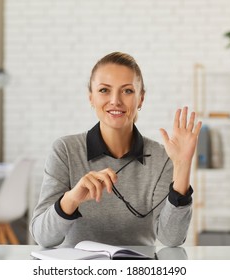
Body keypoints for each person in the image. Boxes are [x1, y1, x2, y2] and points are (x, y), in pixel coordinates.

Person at [30, 52, 202, 248]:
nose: (115, 101)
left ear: (141, 99)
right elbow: (42, 237)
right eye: (104, 90)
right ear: (91, 98)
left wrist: (182, 166)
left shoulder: (162, 157)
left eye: (127, 91)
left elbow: (172, 238)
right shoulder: (65, 151)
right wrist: (72, 198)